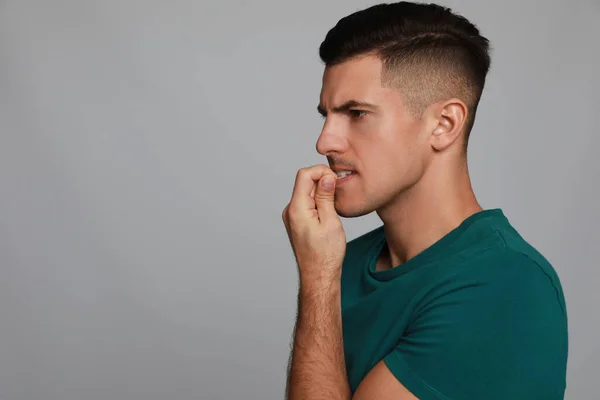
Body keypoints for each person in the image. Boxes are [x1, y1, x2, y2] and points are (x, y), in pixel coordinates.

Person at [281, 1, 568, 399]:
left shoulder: (504, 285)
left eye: (357, 113)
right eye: (326, 115)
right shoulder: (344, 262)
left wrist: (316, 277)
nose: (325, 141)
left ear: (444, 124)